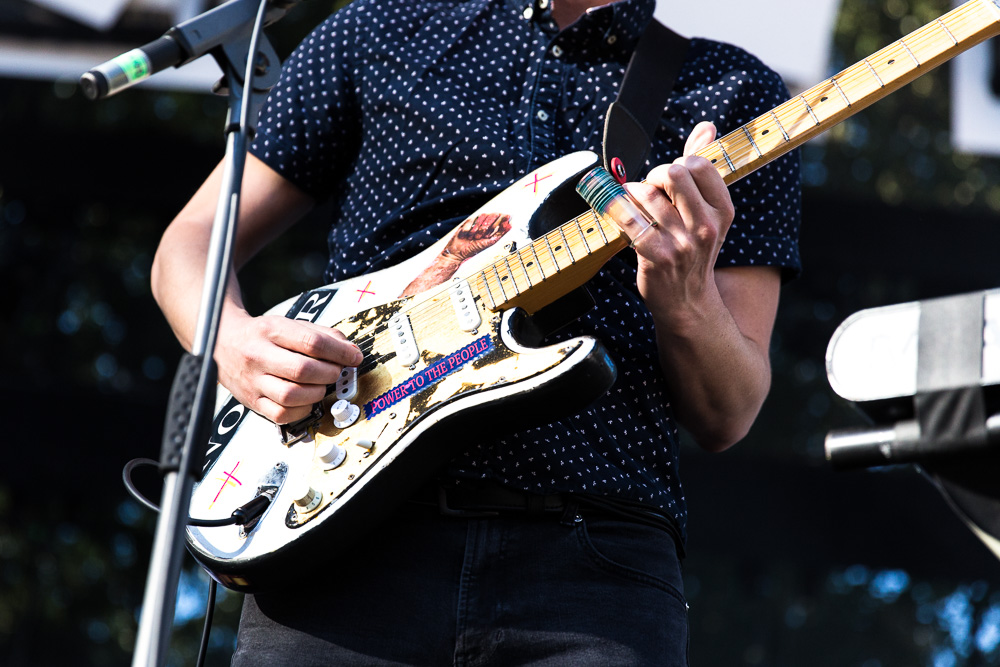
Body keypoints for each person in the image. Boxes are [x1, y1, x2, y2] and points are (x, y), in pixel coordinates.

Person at [151, 0, 801, 663]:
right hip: (340, 540)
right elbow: (191, 245)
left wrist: (687, 300)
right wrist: (232, 341)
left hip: (595, 569)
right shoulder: (375, 28)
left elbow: (732, 409)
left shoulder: (731, 94)